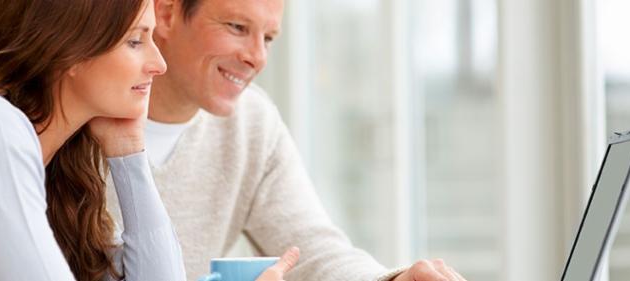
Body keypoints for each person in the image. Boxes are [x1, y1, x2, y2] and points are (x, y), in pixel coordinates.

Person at [0, 0, 299, 280]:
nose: (157, 64)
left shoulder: (58, 165)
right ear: (72, 49)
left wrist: (129, 154)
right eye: (136, 40)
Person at [106, 0, 469, 280]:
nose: (257, 57)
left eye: (267, 38)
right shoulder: (82, 113)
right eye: (236, 27)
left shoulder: (252, 124)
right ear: (166, 13)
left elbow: (314, 250)